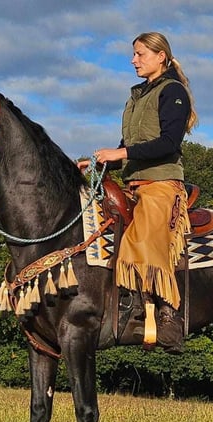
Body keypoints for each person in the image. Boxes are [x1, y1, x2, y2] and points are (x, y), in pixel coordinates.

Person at [79, 32, 198, 354]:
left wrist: (119, 154)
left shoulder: (173, 92)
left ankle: (168, 315)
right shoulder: (135, 97)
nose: (134, 60)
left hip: (161, 184)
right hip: (133, 183)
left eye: (140, 54)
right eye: (134, 54)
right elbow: (128, 149)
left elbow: (168, 144)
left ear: (161, 56)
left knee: (143, 237)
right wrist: (95, 164)